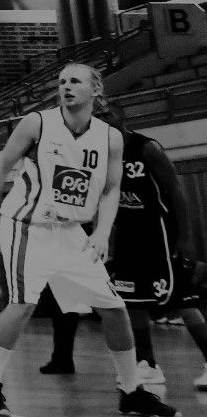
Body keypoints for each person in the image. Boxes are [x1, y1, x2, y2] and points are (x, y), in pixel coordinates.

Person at [0, 62, 174, 416]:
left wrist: (102, 232)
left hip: (72, 232)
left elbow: (111, 188)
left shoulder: (110, 137)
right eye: (61, 82)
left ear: (96, 91)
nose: (66, 86)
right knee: (23, 303)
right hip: (27, 225)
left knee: (115, 308)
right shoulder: (37, 123)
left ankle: (131, 390)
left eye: (75, 81)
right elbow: (0, 166)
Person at [42, 121, 207, 391]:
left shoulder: (147, 148)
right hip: (128, 239)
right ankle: (147, 365)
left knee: (183, 301)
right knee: (131, 302)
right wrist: (98, 238)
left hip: (160, 235)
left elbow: (176, 192)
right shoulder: (95, 157)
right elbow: (96, 200)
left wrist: (185, 237)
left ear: (120, 125)